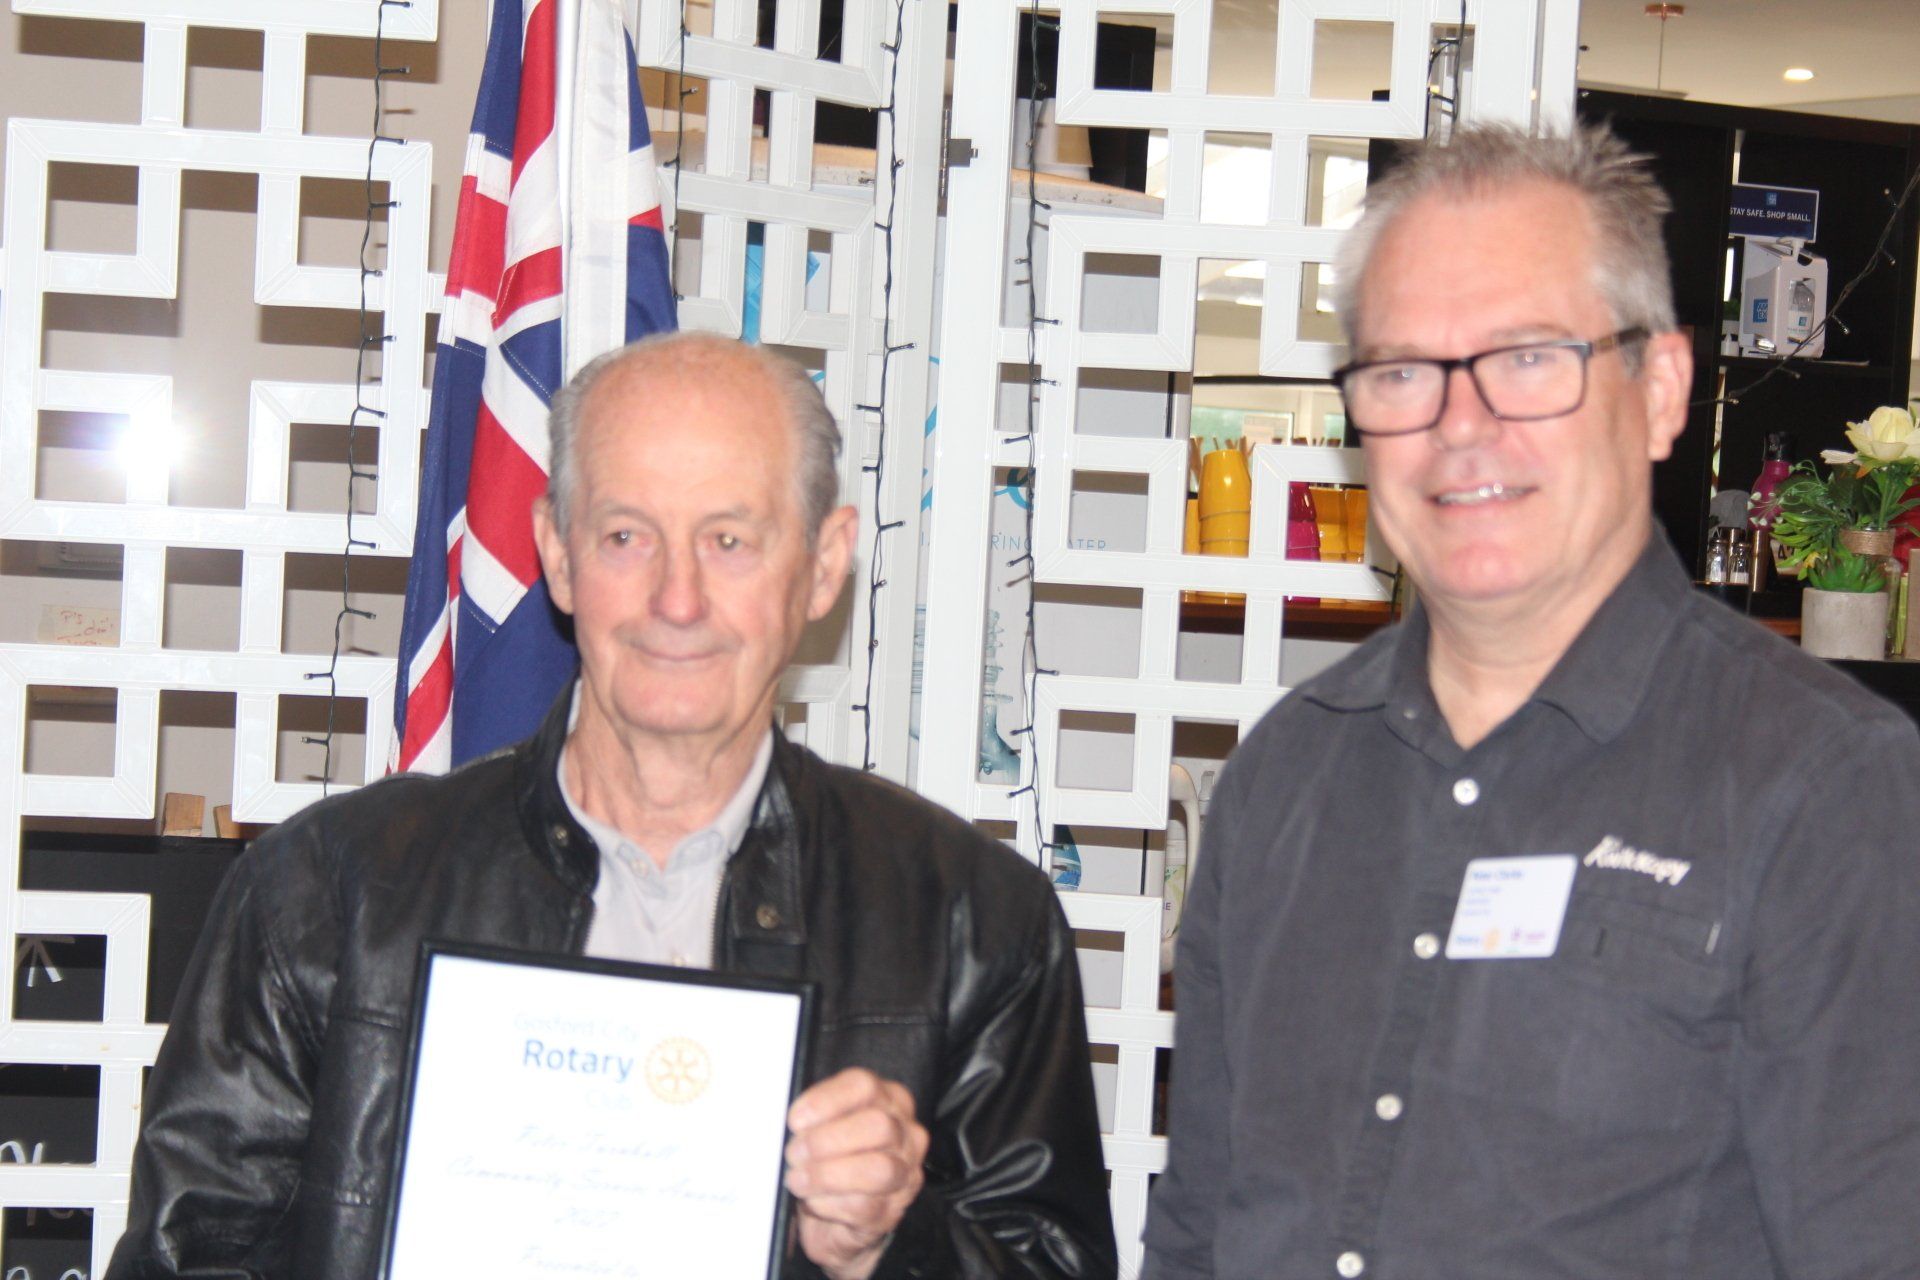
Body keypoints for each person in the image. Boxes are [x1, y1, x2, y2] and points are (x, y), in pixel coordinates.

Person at [108, 333, 1116, 1280]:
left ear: (823, 562)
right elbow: (190, 1253)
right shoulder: (331, 889)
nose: (677, 598)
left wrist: (896, 1242)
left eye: (730, 538)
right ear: (555, 550)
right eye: (627, 534)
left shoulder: (976, 921)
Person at [1142, 124, 1920, 1279]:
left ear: (1660, 389)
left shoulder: (1824, 785)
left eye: (1529, 358)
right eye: (1403, 370)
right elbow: (1200, 1231)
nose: (1462, 426)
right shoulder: (1284, 777)